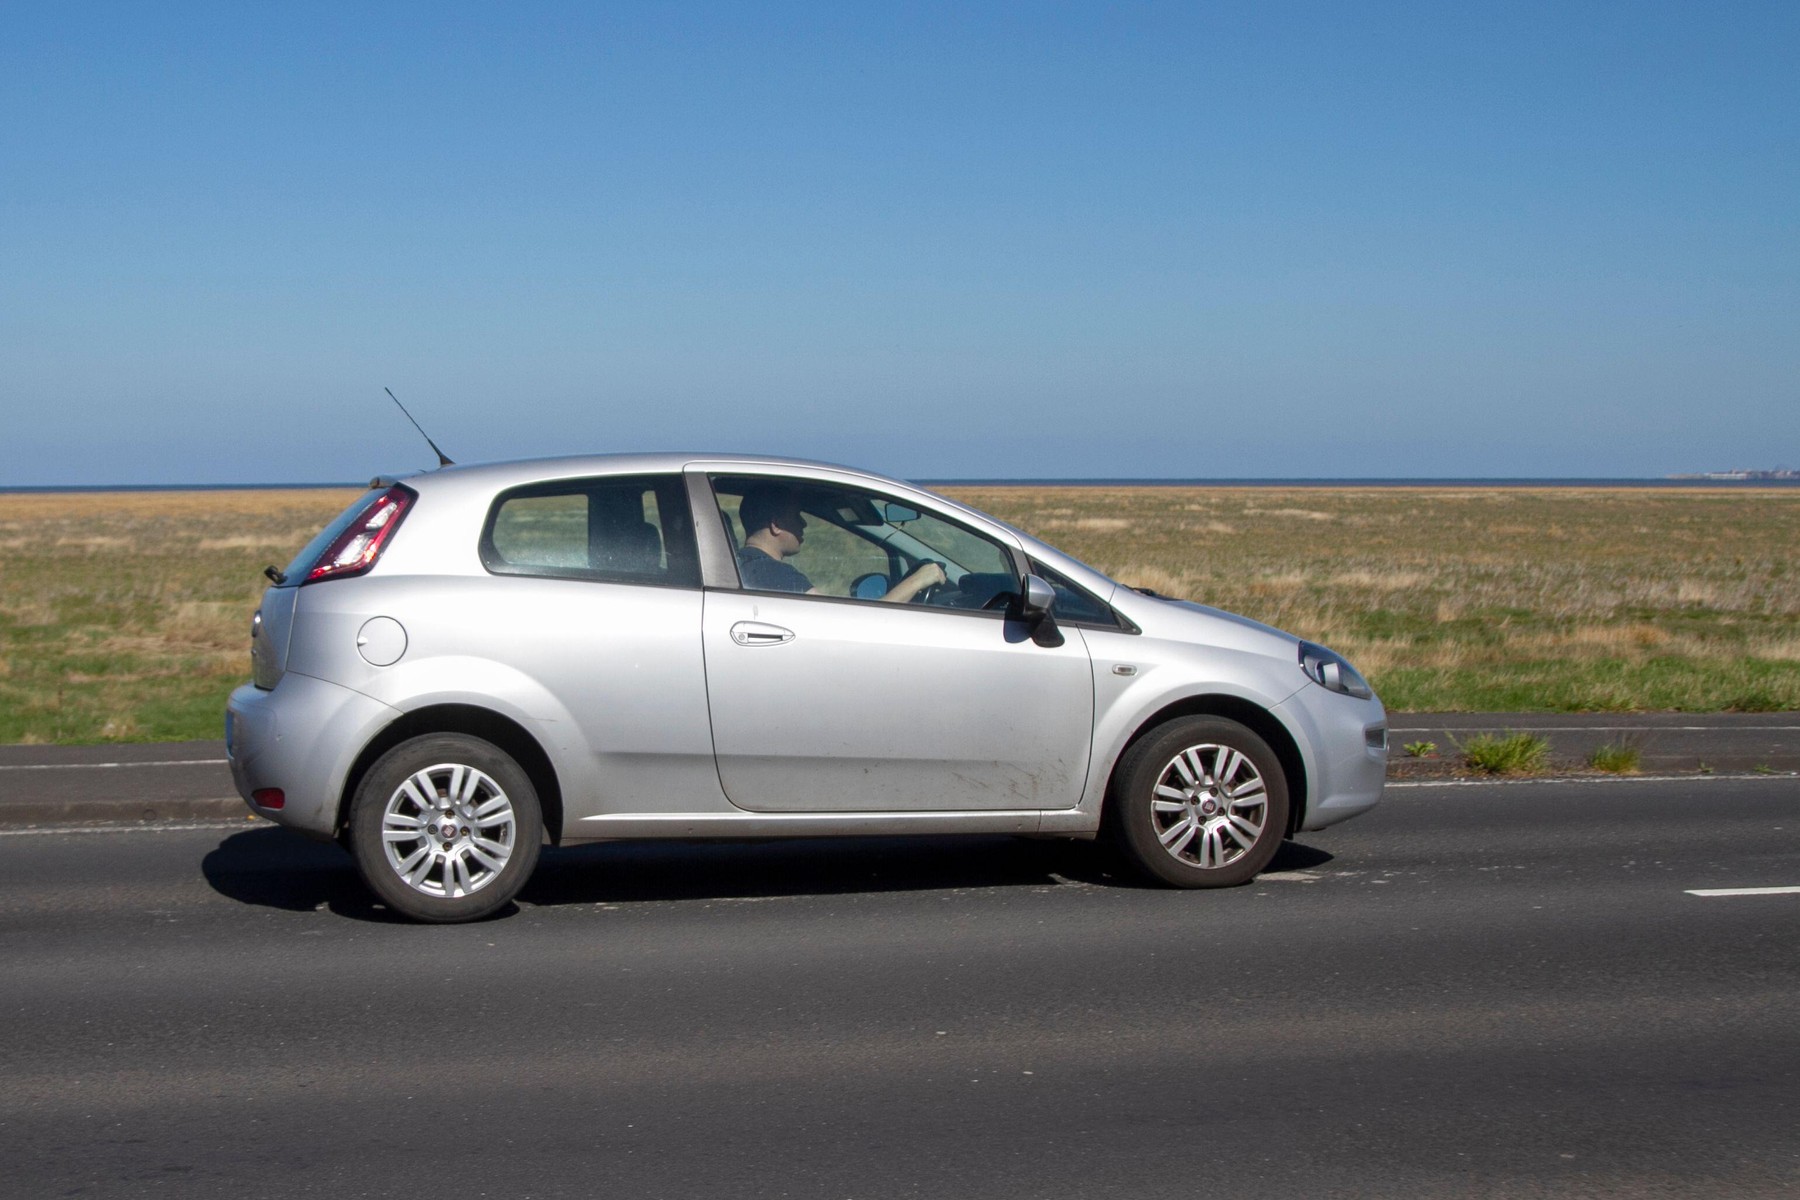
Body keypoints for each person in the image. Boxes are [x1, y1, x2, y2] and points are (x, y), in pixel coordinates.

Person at [735, 485, 945, 602]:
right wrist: (919, 580)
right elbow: (853, 627)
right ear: (776, 525)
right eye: (797, 515)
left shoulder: (742, 568)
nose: (804, 523)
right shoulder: (776, 575)